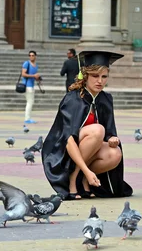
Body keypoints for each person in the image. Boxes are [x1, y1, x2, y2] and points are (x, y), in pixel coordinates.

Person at [42, 50, 133, 200]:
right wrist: (87, 170)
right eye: (95, 76)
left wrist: (112, 138)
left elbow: (110, 130)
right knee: (98, 130)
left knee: (115, 153)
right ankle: (73, 179)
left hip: (90, 148)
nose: (100, 81)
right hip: (64, 152)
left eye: (104, 77)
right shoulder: (72, 99)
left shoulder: (106, 99)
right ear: (85, 76)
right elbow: (68, 139)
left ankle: (84, 180)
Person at [22, 50, 41, 124]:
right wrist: (33, 76)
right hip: (27, 85)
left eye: (33, 55)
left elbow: (34, 75)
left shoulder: (35, 65)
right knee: (29, 102)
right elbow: (23, 74)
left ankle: (28, 117)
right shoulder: (26, 64)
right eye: (30, 55)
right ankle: (27, 118)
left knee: (30, 102)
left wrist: (37, 77)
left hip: (32, 85)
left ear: (35, 56)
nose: (31, 57)